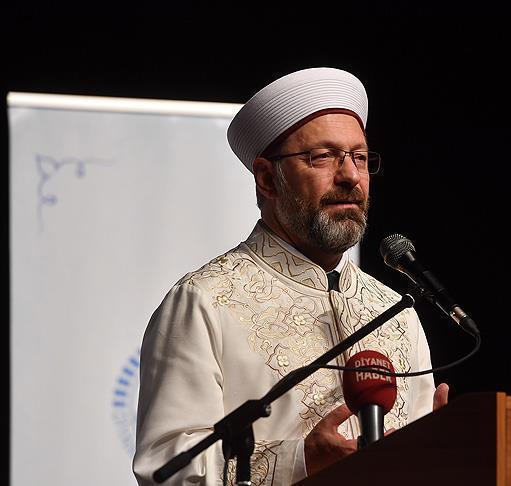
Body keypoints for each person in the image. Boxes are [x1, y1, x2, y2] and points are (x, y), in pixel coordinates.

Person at [133, 67, 448, 486]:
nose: (351, 176)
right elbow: (164, 469)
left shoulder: (396, 311)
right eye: (323, 157)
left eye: (359, 157)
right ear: (267, 178)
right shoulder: (204, 301)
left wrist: (440, 450)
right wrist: (297, 462)